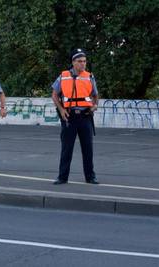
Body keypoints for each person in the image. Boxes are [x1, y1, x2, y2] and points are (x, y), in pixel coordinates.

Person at [51, 49, 99, 185]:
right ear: (73, 62)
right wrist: (61, 109)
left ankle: (90, 177)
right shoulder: (63, 76)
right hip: (69, 117)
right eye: (79, 61)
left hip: (85, 116)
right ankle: (62, 177)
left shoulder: (89, 76)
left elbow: (95, 96)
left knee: (88, 149)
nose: (83, 64)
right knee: (67, 148)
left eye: (84, 61)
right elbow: (54, 94)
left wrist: (94, 106)